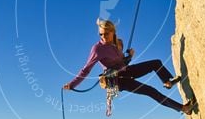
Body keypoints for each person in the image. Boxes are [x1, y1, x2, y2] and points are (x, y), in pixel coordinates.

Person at [63, 18, 197, 114]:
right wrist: (72, 84)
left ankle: (167, 81)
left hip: (126, 70)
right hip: (117, 80)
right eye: (101, 34)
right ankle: (183, 108)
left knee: (155, 63)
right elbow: (86, 69)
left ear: (113, 31)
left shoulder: (119, 43)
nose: (103, 37)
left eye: (106, 33)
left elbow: (121, 62)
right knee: (151, 91)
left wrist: (130, 56)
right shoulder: (97, 49)